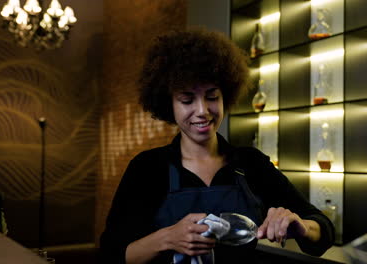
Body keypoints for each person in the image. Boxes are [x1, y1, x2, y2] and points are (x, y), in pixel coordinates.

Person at [99, 27, 335, 264]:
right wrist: (168, 238)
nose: (202, 111)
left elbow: (323, 230)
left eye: (212, 97)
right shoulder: (147, 168)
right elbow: (112, 254)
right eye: (187, 100)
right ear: (169, 104)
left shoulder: (251, 164)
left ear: (226, 96)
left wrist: (301, 226)